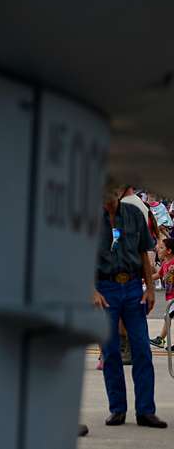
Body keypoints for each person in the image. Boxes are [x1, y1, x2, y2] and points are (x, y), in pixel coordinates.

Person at [94, 184, 167, 429]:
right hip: (106, 290)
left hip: (134, 288)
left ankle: (146, 410)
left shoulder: (135, 214)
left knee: (142, 350)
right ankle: (118, 409)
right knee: (111, 352)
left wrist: (149, 288)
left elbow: (144, 253)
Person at [150, 238, 174, 349]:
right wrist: (144, 279)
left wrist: (170, 273)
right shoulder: (165, 263)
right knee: (167, 317)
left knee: (167, 316)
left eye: (161, 248)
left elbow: (167, 278)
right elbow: (158, 275)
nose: (158, 250)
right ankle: (161, 339)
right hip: (170, 296)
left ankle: (160, 339)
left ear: (169, 251)